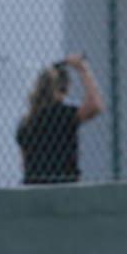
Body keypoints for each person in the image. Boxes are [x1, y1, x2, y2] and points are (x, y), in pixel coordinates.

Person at [15, 53, 104, 184]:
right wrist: (82, 69)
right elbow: (96, 106)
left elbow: (23, 164)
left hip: (33, 186)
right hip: (65, 185)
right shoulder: (63, 115)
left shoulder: (26, 122)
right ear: (63, 90)